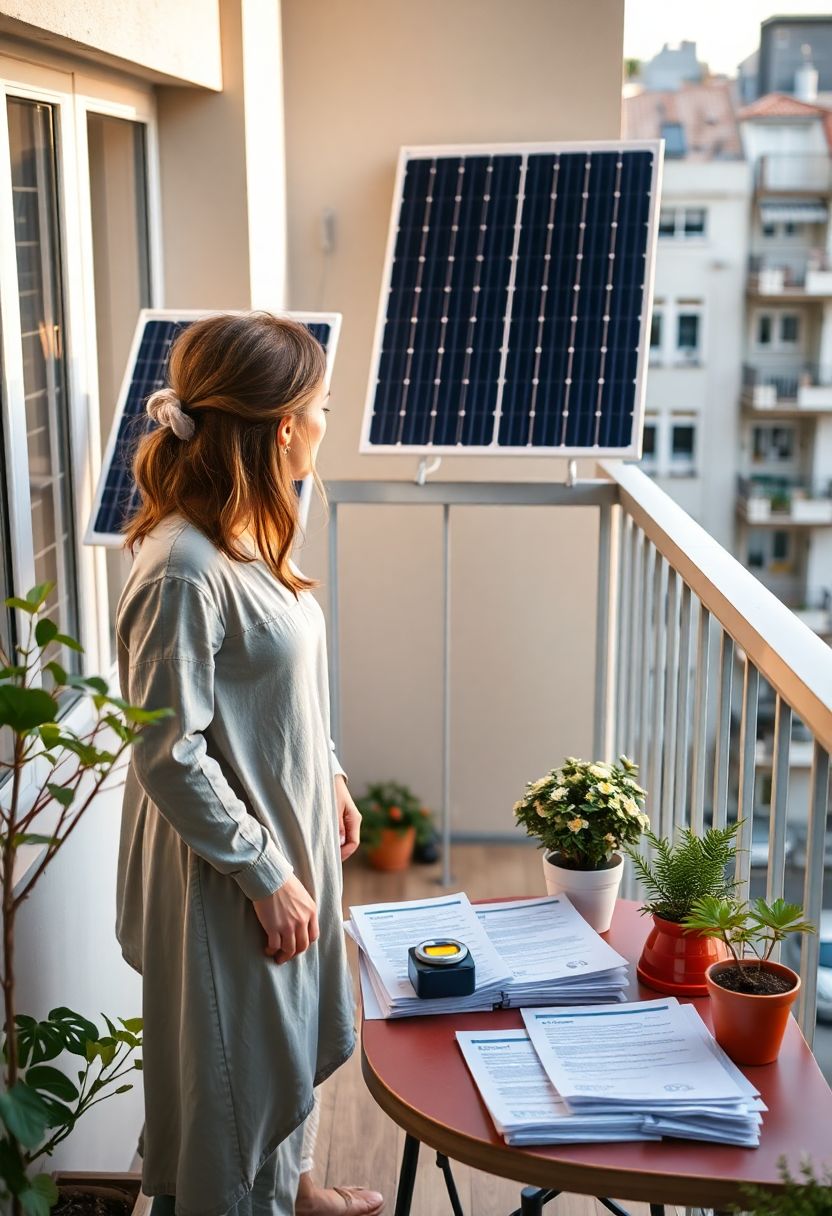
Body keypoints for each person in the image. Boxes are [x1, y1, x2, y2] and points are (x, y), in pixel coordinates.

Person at [115, 312, 384, 1216]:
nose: (324, 426)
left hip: (283, 835)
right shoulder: (184, 568)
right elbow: (168, 748)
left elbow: (282, 683)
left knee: (283, 1034)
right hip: (226, 874)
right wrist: (265, 871)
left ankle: (294, 1189)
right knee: (233, 1079)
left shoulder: (250, 535)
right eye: (321, 409)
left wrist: (334, 772)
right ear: (282, 427)